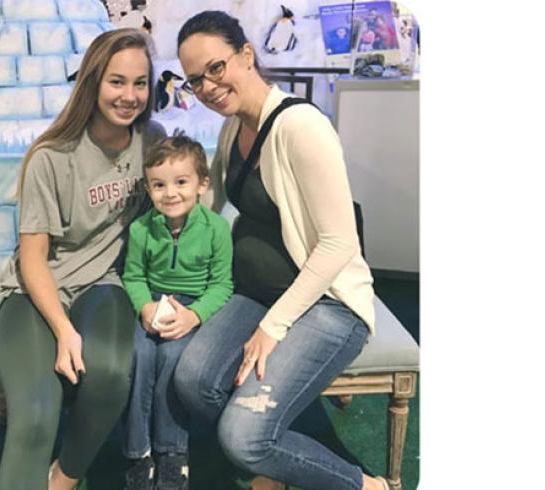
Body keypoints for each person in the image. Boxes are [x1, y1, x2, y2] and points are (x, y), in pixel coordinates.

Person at [174, 11, 389, 490]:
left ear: (246, 54)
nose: (207, 87)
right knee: (192, 380)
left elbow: (338, 243)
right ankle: (272, 466)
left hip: (328, 304)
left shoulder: (300, 126)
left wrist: (273, 326)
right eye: (194, 80)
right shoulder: (234, 126)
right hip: (258, 291)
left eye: (215, 68)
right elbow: (208, 206)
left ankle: (362, 484)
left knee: (242, 435)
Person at [0, 28, 166, 490]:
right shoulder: (51, 156)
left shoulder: (152, 140)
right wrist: (63, 330)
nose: (130, 96)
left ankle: (64, 477)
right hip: (36, 289)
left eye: (140, 83)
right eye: (117, 81)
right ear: (92, 81)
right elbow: (33, 259)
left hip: (105, 282)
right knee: (34, 414)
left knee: (109, 374)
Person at [121, 133, 233, 490]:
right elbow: (133, 276)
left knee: (171, 356)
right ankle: (138, 452)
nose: (170, 193)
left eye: (181, 182)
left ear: (202, 184)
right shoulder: (141, 229)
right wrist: (144, 306)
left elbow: (222, 286)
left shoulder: (217, 228)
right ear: (148, 188)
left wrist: (194, 315)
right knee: (139, 354)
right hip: (153, 302)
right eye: (159, 185)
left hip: (193, 306)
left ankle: (172, 453)